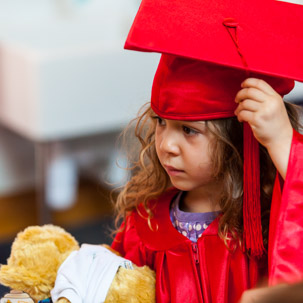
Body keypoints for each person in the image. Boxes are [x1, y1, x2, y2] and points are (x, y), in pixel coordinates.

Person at [111, 55, 303, 303]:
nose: (166, 145)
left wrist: (282, 141)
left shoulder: (269, 224)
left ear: (235, 136)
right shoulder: (145, 224)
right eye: (160, 122)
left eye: (189, 130)